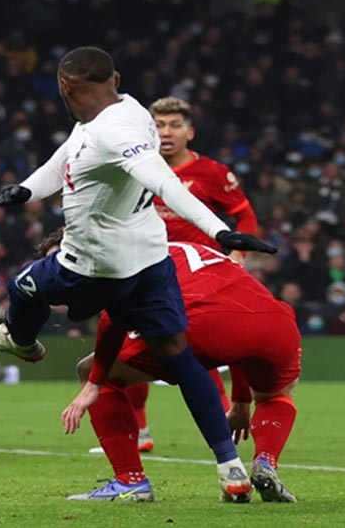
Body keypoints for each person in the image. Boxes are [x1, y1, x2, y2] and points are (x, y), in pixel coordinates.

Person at [0, 47, 276, 501]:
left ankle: (21, 342)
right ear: (114, 78)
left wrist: (219, 231)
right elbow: (66, 158)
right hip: (150, 261)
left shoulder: (114, 132)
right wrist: (27, 190)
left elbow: (164, 183)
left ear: (64, 86)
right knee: (177, 355)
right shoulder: (124, 110)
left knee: (23, 286)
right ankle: (231, 469)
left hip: (96, 264)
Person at [56, 235, 300, 503]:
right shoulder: (196, 250)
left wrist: (94, 381)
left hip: (200, 324)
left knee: (91, 369)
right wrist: (242, 401)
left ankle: (130, 481)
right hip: (276, 322)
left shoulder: (130, 259)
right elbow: (237, 321)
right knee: (275, 394)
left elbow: (111, 321)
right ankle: (266, 460)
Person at [101, 96, 261, 454]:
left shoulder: (214, 174)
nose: (166, 132)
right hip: (141, 269)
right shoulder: (135, 166)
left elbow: (245, 215)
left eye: (174, 125)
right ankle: (140, 432)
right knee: (128, 346)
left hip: (195, 276)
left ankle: (223, 423)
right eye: (158, 125)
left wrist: (238, 252)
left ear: (190, 132)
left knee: (192, 347)